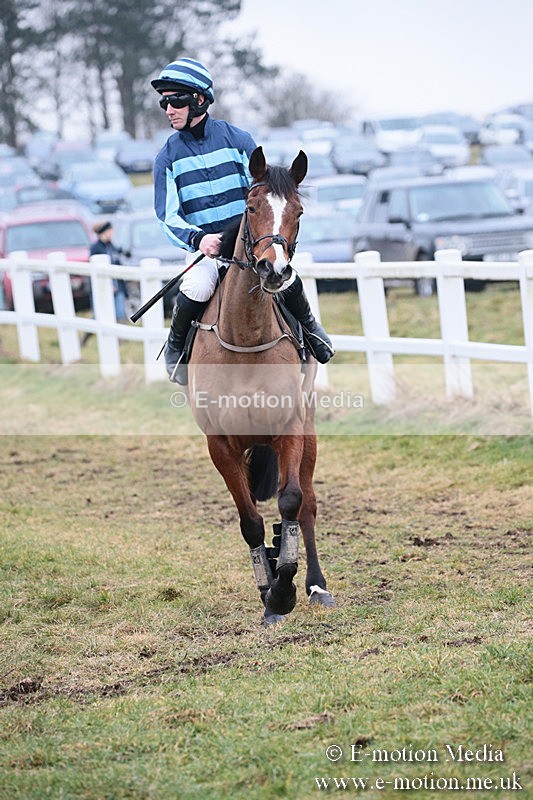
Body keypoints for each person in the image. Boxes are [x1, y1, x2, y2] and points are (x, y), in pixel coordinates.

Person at [151, 57, 334, 383]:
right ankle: (176, 348)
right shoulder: (166, 157)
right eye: (165, 102)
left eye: (176, 101)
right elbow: (166, 216)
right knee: (196, 284)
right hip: (205, 248)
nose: (169, 109)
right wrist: (198, 240)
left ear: (200, 100)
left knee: (285, 276)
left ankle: (310, 328)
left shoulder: (238, 140)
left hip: (248, 243)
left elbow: (262, 193)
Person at [89, 221, 130, 322]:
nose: (112, 233)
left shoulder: (111, 246)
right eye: (110, 231)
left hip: (118, 286)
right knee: (100, 317)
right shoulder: (96, 248)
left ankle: (120, 338)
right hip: (105, 286)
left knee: (120, 316)